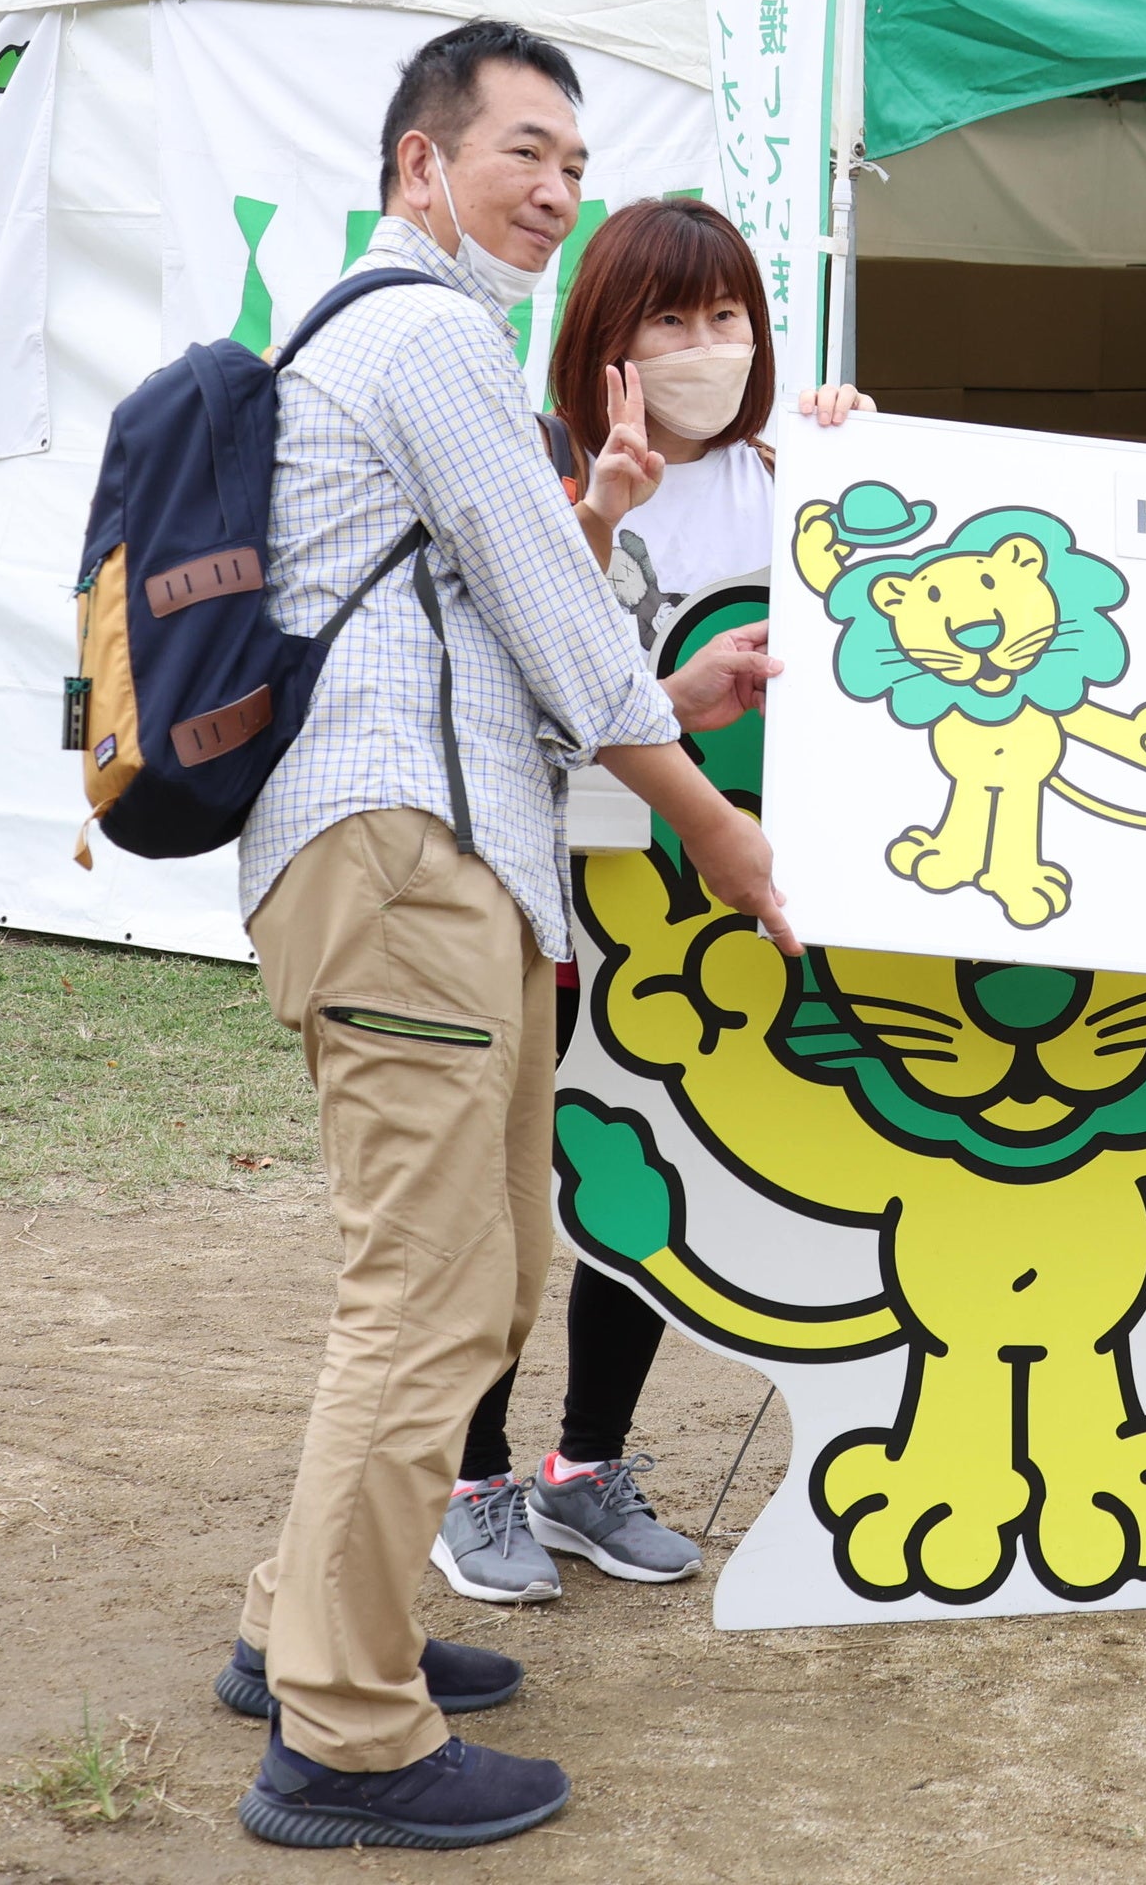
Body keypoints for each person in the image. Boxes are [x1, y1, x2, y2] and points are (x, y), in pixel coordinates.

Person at [223, 21, 799, 1855]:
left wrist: (658, 685)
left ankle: (314, 1624)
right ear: (421, 163)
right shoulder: (427, 333)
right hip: (406, 863)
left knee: (463, 1275)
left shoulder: (376, 337)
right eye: (521, 152)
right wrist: (710, 815)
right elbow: (549, 605)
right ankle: (346, 1735)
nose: (554, 189)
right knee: (433, 1293)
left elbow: (510, 622)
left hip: (431, 853)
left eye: (574, 158)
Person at [421, 197, 866, 1606]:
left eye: (726, 315)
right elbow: (523, 696)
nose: (703, 348)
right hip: (546, 905)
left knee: (645, 1174)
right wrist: (605, 511)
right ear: (600, 340)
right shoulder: (541, 477)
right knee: (506, 1199)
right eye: (666, 321)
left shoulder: (788, 465)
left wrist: (869, 447)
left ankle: (583, 1469)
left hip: (700, 912)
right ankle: (469, 1480)